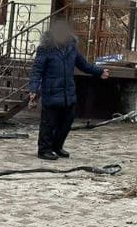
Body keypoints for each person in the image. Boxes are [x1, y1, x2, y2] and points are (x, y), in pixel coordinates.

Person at [27, 17, 111, 161]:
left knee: (66, 122)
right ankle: (44, 150)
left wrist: (99, 71)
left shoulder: (72, 47)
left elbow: (83, 65)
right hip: (52, 92)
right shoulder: (45, 49)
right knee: (49, 124)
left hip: (68, 93)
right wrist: (33, 89)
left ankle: (57, 146)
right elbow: (36, 71)